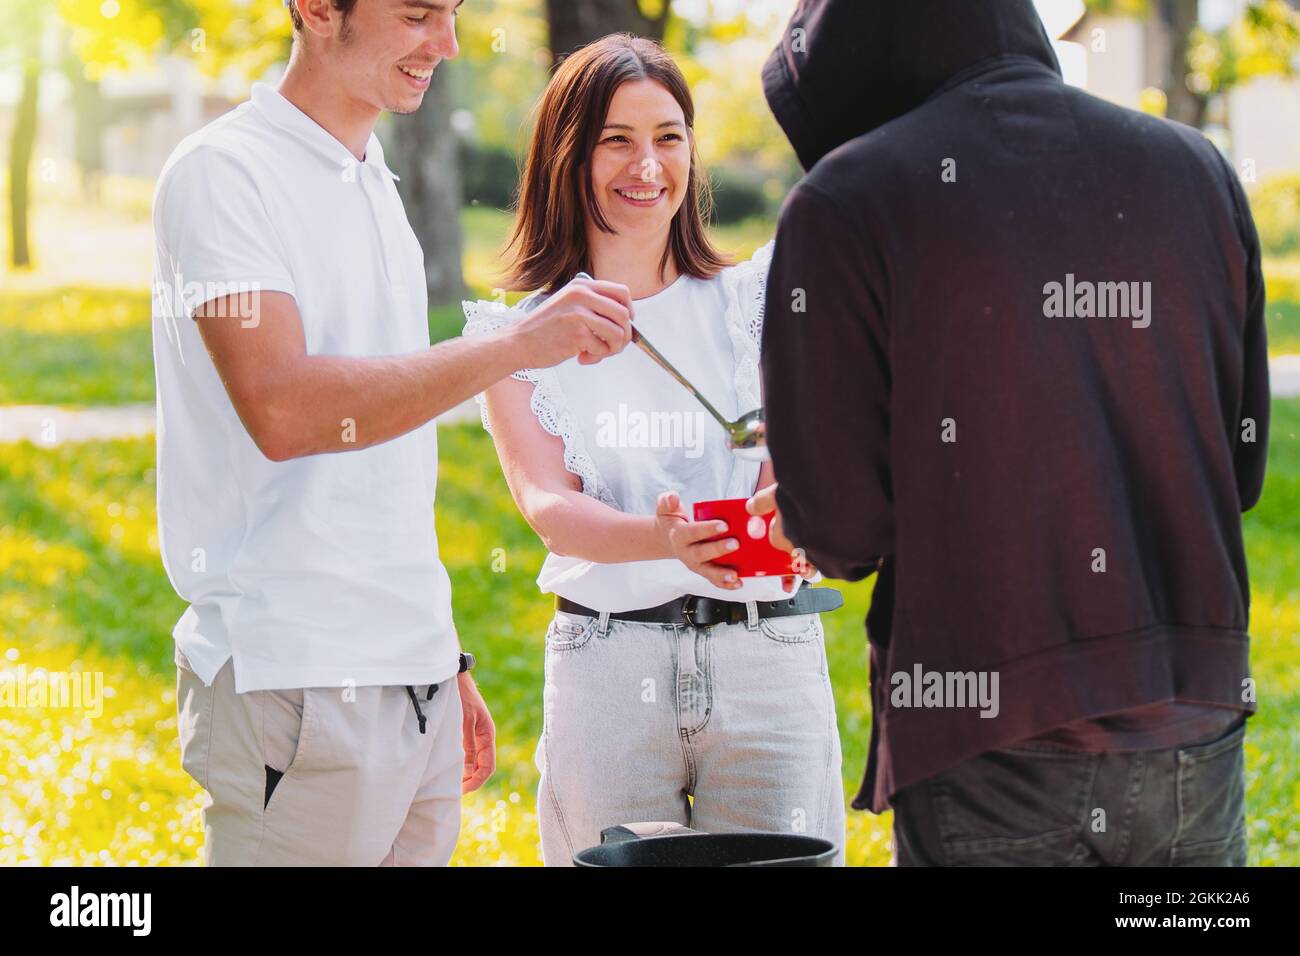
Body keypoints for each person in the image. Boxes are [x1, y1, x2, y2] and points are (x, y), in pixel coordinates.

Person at [751, 0, 1268, 865]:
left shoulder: (845, 201)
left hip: (988, 730)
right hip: (1195, 713)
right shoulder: (1197, 167)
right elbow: (1240, 468)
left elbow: (841, 531)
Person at [152, 0, 633, 865]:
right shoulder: (224, 174)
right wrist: (513, 345)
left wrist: (438, 648)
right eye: (417, 14)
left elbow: (383, 455)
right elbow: (286, 408)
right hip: (294, 680)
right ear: (317, 9)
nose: (446, 45)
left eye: (451, 14)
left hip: (407, 678)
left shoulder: (372, 178)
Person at [462, 34, 847, 866]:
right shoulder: (514, 336)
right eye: (618, 140)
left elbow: (793, 457)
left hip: (766, 655)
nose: (648, 165)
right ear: (568, 155)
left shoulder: (758, 299)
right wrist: (663, 541)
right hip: (608, 663)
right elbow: (549, 507)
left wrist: (793, 503)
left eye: (669, 137)